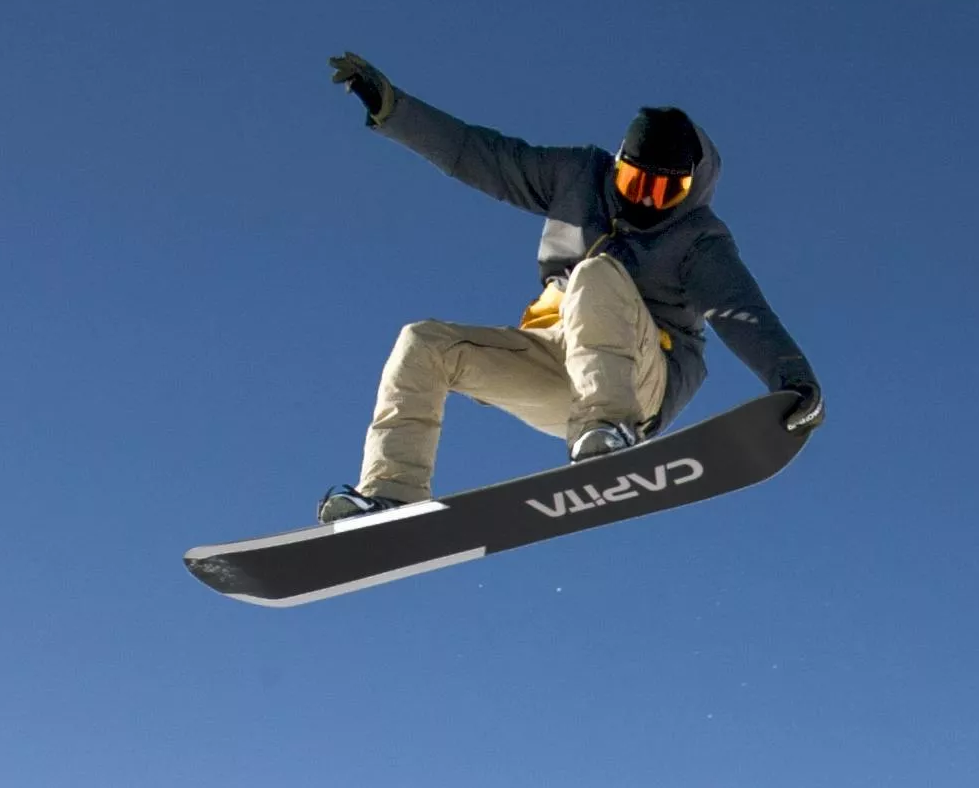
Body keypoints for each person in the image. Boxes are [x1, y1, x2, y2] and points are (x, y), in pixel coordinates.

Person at [318, 56, 824, 522]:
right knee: (423, 343)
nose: (645, 200)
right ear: (618, 164)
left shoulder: (699, 240)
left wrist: (793, 381)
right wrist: (394, 109)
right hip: (557, 362)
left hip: (640, 378)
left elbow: (743, 313)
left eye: (664, 190)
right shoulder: (577, 175)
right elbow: (482, 155)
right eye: (634, 182)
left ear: (691, 188)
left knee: (596, 272)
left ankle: (610, 429)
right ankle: (392, 495)